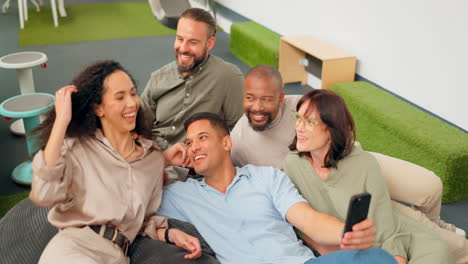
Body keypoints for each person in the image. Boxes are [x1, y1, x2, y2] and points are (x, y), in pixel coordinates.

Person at [230, 65, 467, 262]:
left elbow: (381, 216)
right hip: (325, 191)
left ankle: (440, 228)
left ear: (280, 98)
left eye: (266, 99)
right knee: (412, 224)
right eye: (250, 98)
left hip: (346, 158)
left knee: (428, 188)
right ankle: (451, 242)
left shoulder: (304, 104)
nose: (257, 107)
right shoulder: (243, 142)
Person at [157, 112, 397, 264]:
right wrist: (164, 160)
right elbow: (127, 190)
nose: (194, 147)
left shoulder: (266, 177)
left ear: (226, 142)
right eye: (188, 143)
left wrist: (347, 233)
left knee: (379, 258)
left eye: (202, 138)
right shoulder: (180, 194)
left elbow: (309, 221)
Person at [29, 60, 202, 263]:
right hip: (75, 249)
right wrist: (61, 121)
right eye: (120, 97)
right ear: (99, 109)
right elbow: (43, 194)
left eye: (133, 93)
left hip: (117, 255)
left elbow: (140, 219)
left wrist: (170, 234)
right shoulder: (78, 147)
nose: (131, 103)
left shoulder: (153, 159)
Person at [283, 89, 456, 264]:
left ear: (331, 129)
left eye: (310, 121)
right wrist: (326, 249)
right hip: (348, 248)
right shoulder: (292, 163)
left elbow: (385, 225)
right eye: (298, 118)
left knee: (439, 251)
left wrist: (395, 259)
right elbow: (298, 221)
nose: (299, 127)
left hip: (394, 236)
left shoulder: (364, 163)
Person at [140, 7, 244, 151]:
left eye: (193, 42)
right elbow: (139, 126)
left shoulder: (228, 76)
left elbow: (238, 132)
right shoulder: (158, 78)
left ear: (210, 43)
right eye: (180, 39)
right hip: (155, 157)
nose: (183, 48)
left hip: (199, 165)